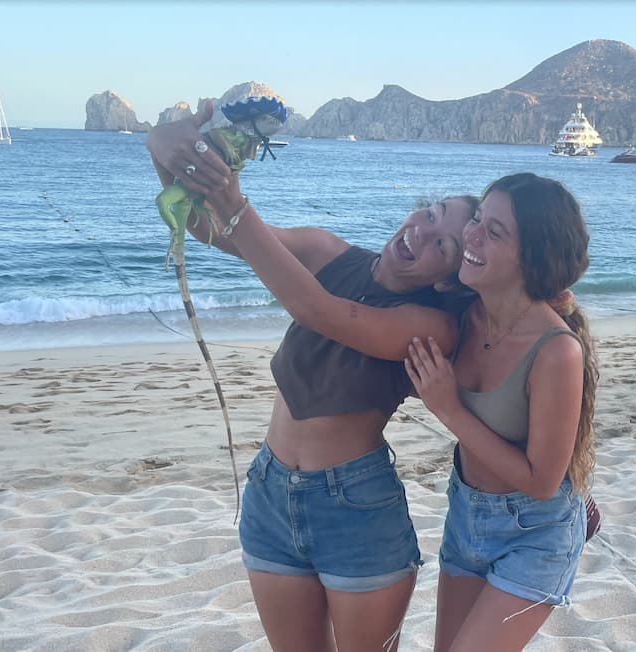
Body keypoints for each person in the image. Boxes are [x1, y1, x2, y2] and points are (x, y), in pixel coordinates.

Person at [147, 103, 478, 652]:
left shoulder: (433, 325)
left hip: (354, 509)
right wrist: (170, 151)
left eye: (442, 244)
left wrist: (236, 201)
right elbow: (212, 230)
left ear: (448, 279)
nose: (420, 232)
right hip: (269, 493)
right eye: (431, 213)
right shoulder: (329, 251)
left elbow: (318, 310)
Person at [405, 173, 598, 651]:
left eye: (495, 232)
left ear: (531, 257)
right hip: (465, 515)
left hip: (535, 531)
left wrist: (448, 409)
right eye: (477, 219)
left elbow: (540, 481)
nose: (473, 235)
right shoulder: (460, 311)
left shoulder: (556, 351)